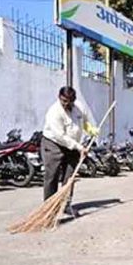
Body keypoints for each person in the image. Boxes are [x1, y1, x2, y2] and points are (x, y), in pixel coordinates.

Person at [41, 86, 96, 218]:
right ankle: (49, 207)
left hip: (73, 146)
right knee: (52, 175)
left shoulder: (79, 107)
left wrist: (91, 130)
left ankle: (65, 205)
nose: (66, 104)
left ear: (74, 99)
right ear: (59, 98)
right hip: (54, 144)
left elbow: (85, 122)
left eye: (69, 101)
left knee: (70, 177)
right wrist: (79, 147)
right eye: (63, 100)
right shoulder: (54, 112)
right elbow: (61, 136)